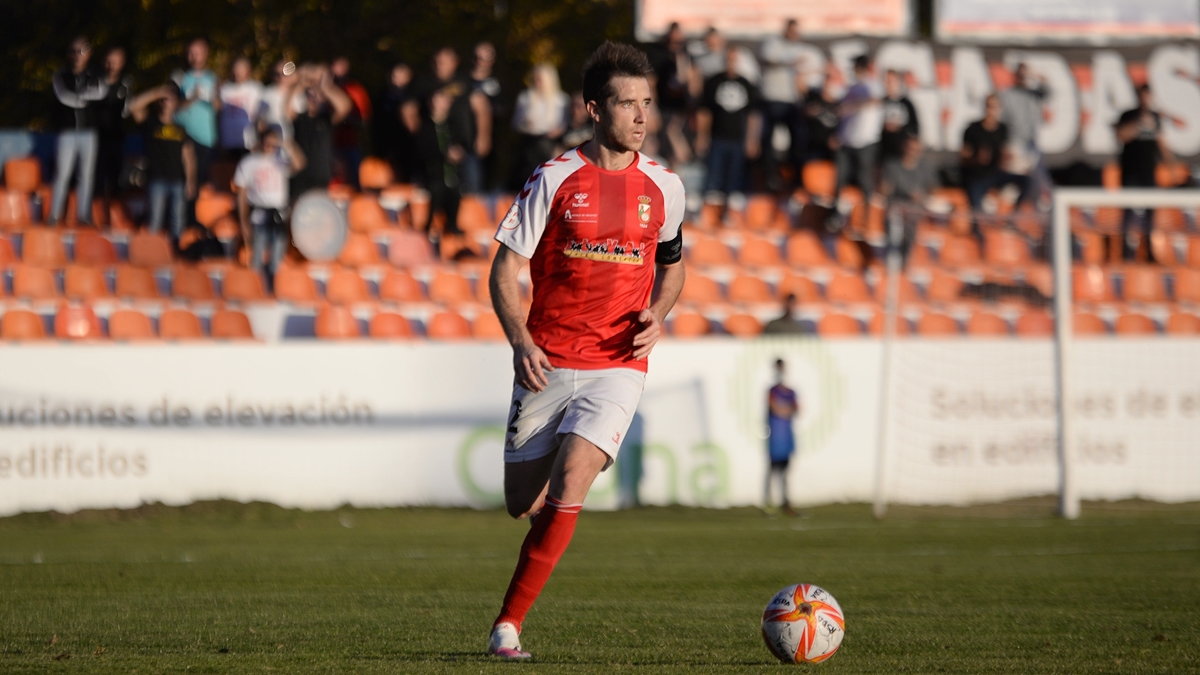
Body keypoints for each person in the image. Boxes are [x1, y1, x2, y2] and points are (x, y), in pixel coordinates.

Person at [485, 41, 686, 660]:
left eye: (646, 104)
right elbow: (504, 270)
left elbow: (674, 267)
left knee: (575, 475)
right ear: (593, 108)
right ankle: (553, 493)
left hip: (618, 364)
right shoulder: (554, 178)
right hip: (546, 361)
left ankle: (507, 626)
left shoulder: (665, 187)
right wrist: (520, 339)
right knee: (522, 500)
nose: (640, 117)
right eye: (627, 104)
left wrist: (659, 312)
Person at [233, 127, 305, 289]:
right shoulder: (248, 162)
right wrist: (243, 220)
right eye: (266, 142)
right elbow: (242, 195)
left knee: (277, 258)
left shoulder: (280, 161)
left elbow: (300, 163)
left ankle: (273, 288)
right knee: (257, 257)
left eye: (272, 143)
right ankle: (255, 288)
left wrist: (284, 143)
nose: (269, 146)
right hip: (259, 213)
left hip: (278, 213)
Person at [50, 37, 108, 226]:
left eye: (81, 50)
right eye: (73, 51)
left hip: (89, 133)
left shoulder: (96, 75)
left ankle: (84, 216)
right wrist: (84, 98)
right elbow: (65, 97)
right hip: (66, 132)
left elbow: (101, 93)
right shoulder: (60, 75)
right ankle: (55, 215)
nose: (77, 55)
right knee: (62, 174)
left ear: (89, 53)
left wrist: (82, 97)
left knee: (87, 175)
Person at [128, 84, 196, 243]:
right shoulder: (150, 123)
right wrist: (156, 92)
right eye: (163, 99)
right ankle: (153, 253)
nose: (166, 102)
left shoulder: (181, 129)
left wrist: (191, 181)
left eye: (170, 99)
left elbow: (189, 158)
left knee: (177, 222)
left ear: (176, 103)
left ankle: (176, 254)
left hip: (178, 181)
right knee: (155, 221)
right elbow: (133, 106)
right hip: (156, 180)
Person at [417, 47, 491, 194]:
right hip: (435, 152)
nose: (440, 65)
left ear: (454, 63)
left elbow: (482, 108)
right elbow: (410, 112)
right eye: (437, 62)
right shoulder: (424, 84)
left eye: (444, 62)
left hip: (466, 148)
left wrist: (484, 138)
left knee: (471, 193)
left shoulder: (465, 82)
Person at [696, 50, 761, 206]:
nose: (731, 63)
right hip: (717, 137)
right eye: (729, 59)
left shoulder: (746, 84)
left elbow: (753, 115)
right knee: (713, 179)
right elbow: (705, 112)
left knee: (734, 181)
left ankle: (729, 215)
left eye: (734, 60)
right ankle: (707, 214)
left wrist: (752, 140)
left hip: (738, 139)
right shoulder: (714, 82)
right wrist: (702, 136)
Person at [1116, 84, 1173, 262]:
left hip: (1149, 173)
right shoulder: (1128, 115)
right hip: (1131, 172)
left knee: (1150, 214)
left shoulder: (1155, 117)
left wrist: (1171, 164)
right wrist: (1139, 123)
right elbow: (1122, 136)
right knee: (1128, 214)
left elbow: (1161, 142)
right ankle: (1126, 253)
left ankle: (1149, 251)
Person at [758, 19, 815, 190]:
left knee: (798, 141)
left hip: (792, 101)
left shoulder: (800, 48)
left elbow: (803, 76)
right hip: (772, 98)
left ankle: (793, 178)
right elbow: (768, 60)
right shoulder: (772, 43)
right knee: (768, 141)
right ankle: (769, 177)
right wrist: (789, 62)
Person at [288, 64, 353, 199]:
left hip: (321, 175)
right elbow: (287, 107)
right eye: (310, 95)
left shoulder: (326, 119)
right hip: (300, 176)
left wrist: (326, 87)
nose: (313, 99)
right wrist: (302, 83)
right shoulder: (300, 118)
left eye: (317, 96)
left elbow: (345, 106)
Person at [415, 87, 469, 238]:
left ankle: (452, 227)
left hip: (452, 174)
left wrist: (459, 152)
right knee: (436, 192)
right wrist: (444, 155)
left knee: (455, 193)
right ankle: (427, 229)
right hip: (433, 174)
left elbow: (463, 143)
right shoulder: (425, 127)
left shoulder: (453, 125)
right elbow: (423, 150)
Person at [961, 94, 1028, 212]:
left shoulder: (1003, 129)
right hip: (977, 176)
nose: (991, 110)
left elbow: (1004, 152)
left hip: (996, 173)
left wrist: (1008, 158)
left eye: (994, 107)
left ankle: (1012, 217)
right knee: (975, 200)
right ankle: (976, 228)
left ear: (1000, 109)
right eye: (989, 106)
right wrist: (976, 159)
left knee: (1027, 180)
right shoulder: (973, 129)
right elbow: (963, 156)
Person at [171, 38, 220, 188]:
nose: (193, 56)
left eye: (197, 53)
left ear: (206, 54)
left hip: (205, 138)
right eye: (190, 53)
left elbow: (218, 108)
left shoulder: (213, 78)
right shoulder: (179, 76)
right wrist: (192, 99)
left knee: (200, 182)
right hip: (183, 135)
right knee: (182, 182)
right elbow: (170, 105)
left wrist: (214, 99)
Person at [510, 63, 569, 188]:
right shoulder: (525, 98)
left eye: (540, 79)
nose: (537, 82)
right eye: (535, 78)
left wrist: (557, 131)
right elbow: (515, 123)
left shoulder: (561, 100)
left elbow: (565, 124)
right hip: (529, 144)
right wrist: (525, 124)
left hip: (550, 144)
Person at [1000, 63, 1050, 204]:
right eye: (1020, 75)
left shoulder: (1032, 94)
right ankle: (1009, 217)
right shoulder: (1007, 95)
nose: (1023, 78)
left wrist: (1038, 77)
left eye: (1025, 75)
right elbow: (1002, 120)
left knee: (1033, 180)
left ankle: (1029, 212)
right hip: (1014, 142)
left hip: (1031, 143)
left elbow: (1048, 92)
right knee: (1014, 182)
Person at [836, 55, 883, 201]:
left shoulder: (872, 84)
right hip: (846, 142)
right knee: (840, 178)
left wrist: (852, 106)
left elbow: (874, 100)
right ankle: (837, 212)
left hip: (865, 141)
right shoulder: (852, 87)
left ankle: (867, 215)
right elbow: (842, 113)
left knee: (864, 179)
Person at [94, 46, 133, 209]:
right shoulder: (95, 82)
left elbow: (127, 110)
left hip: (117, 138)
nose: (112, 65)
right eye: (109, 61)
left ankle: (116, 214)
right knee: (97, 179)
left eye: (115, 62)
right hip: (96, 138)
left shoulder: (126, 84)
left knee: (116, 177)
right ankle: (95, 213)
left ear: (122, 63)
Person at [764, 359, 799, 515]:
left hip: (786, 436)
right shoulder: (772, 391)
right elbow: (775, 408)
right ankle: (768, 502)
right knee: (772, 470)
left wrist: (784, 410)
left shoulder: (790, 392)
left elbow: (796, 409)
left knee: (785, 472)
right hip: (775, 436)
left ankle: (785, 502)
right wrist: (787, 410)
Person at [331, 57, 372, 189]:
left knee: (352, 185)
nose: (338, 69)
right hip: (328, 145)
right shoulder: (326, 90)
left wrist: (344, 118)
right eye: (335, 65)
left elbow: (363, 120)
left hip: (350, 144)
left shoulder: (356, 90)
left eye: (341, 65)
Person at [219, 56, 264, 162]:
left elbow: (261, 117)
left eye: (241, 69)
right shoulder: (224, 89)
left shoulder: (256, 89)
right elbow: (219, 116)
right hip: (228, 142)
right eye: (236, 68)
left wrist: (259, 139)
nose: (238, 72)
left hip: (249, 142)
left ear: (248, 70)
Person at [879, 70, 918, 163]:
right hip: (882, 150)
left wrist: (898, 127)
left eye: (891, 81)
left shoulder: (906, 103)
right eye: (886, 81)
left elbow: (914, 126)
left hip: (900, 151)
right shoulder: (880, 103)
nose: (889, 84)